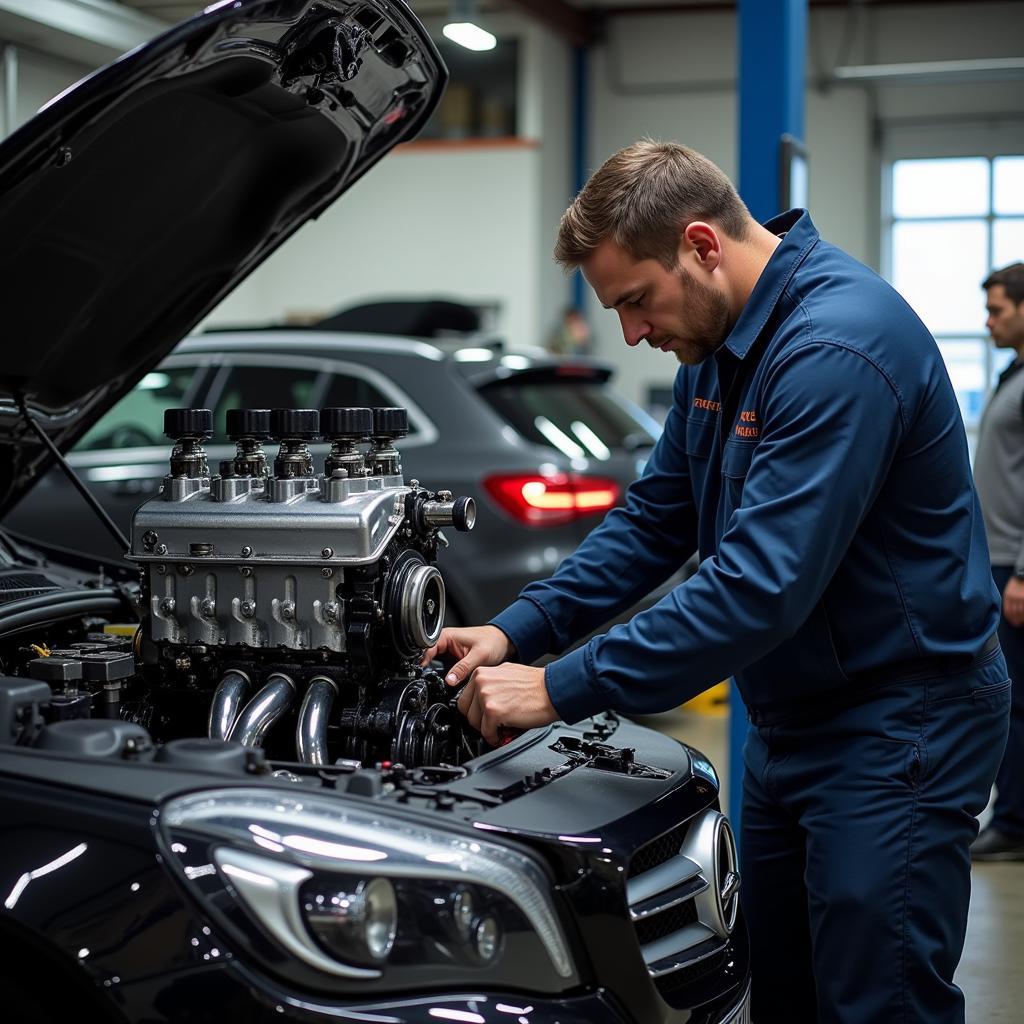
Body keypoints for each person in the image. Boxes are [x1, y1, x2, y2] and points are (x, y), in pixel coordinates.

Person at [423, 141, 1010, 1023]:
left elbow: (757, 588)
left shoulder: (837, 348)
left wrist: (557, 688)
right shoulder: (722, 349)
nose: (630, 333)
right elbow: (653, 518)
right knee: (782, 992)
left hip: (900, 726)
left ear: (700, 244)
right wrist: (517, 630)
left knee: (877, 1002)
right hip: (792, 721)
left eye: (634, 301)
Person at [971, 261, 1024, 860]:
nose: (989, 322)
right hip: (1002, 563)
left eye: (999, 310)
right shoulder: (1013, 373)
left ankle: (1013, 822)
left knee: (1017, 699)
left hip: (1016, 567)